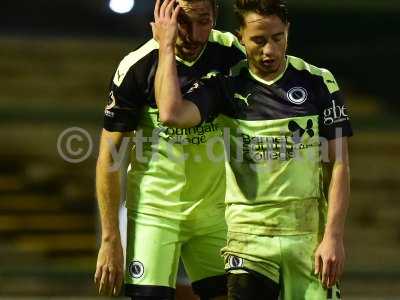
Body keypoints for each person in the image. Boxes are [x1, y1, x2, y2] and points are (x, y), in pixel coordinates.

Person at [153, 0, 352, 299]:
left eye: (277, 38)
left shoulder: (318, 81)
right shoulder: (226, 85)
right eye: (258, 40)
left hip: (307, 239)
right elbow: (171, 113)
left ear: (288, 31)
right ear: (241, 37)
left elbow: (339, 164)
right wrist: (165, 48)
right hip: (248, 242)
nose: (269, 50)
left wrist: (333, 237)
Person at [94, 0, 246, 298]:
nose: (193, 33)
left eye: (204, 21)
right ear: (163, 15)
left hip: (215, 213)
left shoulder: (231, 54)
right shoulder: (137, 66)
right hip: (155, 212)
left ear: (215, 15)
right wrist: (111, 238)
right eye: (183, 22)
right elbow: (108, 158)